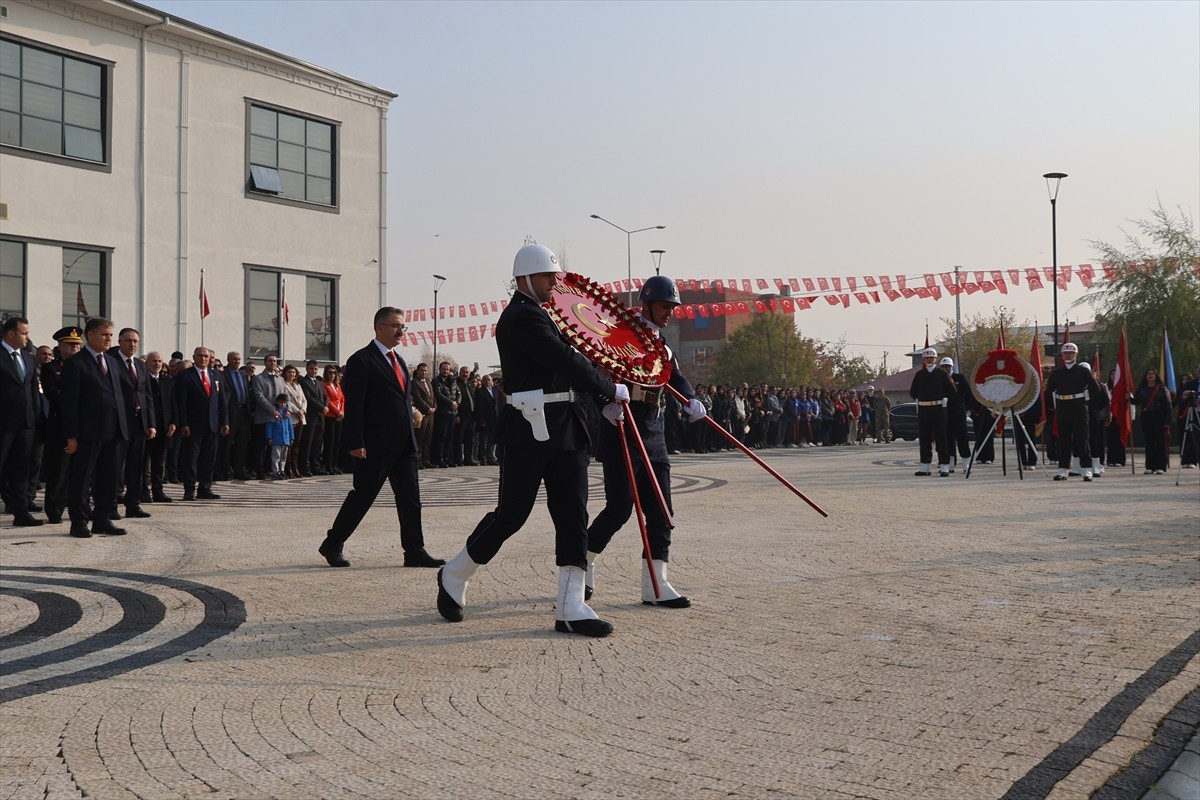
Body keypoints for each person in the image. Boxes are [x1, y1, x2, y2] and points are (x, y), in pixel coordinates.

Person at [436, 243, 628, 638]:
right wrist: (610, 388)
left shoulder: (547, 315)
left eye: (555, 276)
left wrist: (601, 397)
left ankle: (571, 605)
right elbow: (564, 360)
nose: (554, 283)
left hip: (566, 426)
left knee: (573, 513)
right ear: (524, 278)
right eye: (547, 277)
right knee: (512, 514)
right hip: (529, 427)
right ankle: (455, 573)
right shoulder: (521, 317)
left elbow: (577, 360)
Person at [585, 275, 704, 609]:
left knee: (661, 511)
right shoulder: (620, 335)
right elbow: (595, 373)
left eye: (672, 308)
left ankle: (656, 583)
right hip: (621, 427)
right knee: (619, 510)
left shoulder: (662, 344)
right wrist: (603, 403)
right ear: (647, 303)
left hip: (652, 431)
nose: (670, 313)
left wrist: (690, 399)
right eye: (665, 306)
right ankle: (584, 560)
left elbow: (674, 377)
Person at [318, 307, 444, 570]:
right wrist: (355, 442)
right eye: (396, 326)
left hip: (404, 443)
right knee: (363, 496)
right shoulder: (361, 360)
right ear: (379, 327)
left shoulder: (398, 360)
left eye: (403, 327)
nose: (401, 331)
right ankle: (333, 543)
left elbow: (399, 397)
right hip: (375, 444)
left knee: (410, 498)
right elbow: (355, 405)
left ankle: (414, 550)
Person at [60, 317, 128, 537]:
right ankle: (79, 522)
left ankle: (102, 518)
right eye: (104, 335)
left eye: (110, 335)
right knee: (82, 479)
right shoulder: (76, 363)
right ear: (90, 335)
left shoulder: (113, 362)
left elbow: (117, 396)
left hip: (113, 431)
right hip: (88, 432)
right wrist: (72, 435)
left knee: (109, 478)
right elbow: (69, 403)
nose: (109, 339)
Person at [109, 328, 157, 519]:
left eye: (135, 341)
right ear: (120, 342)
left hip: (139, 423)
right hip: (119, 422)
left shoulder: (140, 365)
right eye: (128, 341)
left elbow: (147, 396)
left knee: (136, 467)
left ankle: (133, 504)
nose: (132, 345)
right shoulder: (111, 362)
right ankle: (111, 505)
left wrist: (151, 423)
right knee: (115, 467)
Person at [1, 316, 43, 526]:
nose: (27, 337)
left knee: (21, 470)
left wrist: (35, 417)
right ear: (11, 334)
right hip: (3, 424)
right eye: (24, 333)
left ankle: (20, 512)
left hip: (25, 424)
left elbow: (33, 390)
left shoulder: (28, 358)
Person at [39, 327, 83, 524]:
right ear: (60, 346)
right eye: (70, 345)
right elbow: (52, 393)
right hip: (60, 426)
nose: (74, 348)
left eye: (77, 345)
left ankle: (79, 507)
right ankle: (54, 510)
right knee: (59, 470)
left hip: (83, 425)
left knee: (81, 472)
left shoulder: (85, 366)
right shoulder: (51, 368)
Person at [175, 346, 229, 500]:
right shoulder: (185, 375)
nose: (203, 359)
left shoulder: (216, 375)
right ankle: (189, 489)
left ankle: (205, 487)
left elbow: (222, 401)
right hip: (193, 425)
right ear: (194, 357)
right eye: (200, 356)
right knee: (191, 458)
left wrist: (225, 421)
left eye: (206, 356)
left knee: (209, 457)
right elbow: (182, 402)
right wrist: (183, 423)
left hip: (213, 424)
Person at [1045, 342, 1103, 481]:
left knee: (1082, 440)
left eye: (1071, 353)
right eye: (1065, 353)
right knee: (1063, 440)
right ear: (1062, 355)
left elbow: (1095, 389)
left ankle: (1086, 470)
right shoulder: (1057, 373)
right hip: (1063, 408)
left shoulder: (1083, 371)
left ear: (1076, 355)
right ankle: (1063, 470)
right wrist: (1052, 406)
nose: (1068, 355)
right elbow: (1048, 391)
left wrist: (1086, 402)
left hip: (1079, 408)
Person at [909, 347, 955, 476]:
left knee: (941, 439)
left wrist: (944, 399)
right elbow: (913, 392)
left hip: (938, 410)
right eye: (927, 358)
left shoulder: (942, 374)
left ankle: (944, 466)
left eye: (931, 358)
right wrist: (921, 398)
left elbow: (952, 391)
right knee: (924, 439)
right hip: (924, 411)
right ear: (923, 359)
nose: (929, 360)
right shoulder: (920, 374)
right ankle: (925, 466)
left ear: (935, 359)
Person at [142, 351, 176, 503]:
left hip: (164, 427)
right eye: (154, 361)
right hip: (146, 427)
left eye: (160, 361)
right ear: (147, 362)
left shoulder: (167, 380)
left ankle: (158, 490)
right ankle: (144, 491)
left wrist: (174, 422)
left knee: (159, 461)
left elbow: (174, 404)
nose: (157, 364)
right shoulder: (142, 379)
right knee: (144, 461)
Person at [250, 355, 285, 479]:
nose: (273, 363)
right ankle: (259, 470)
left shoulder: (280, 379)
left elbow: (286, 397)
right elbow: (259, 397)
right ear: (265, 362)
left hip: (277, 419)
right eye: (270, 361)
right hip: (263, 417)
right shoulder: (258, 379)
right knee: (260, 446)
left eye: (275, 361)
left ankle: (271, 469)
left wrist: (288, 410)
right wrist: (272, 410)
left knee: (274, 446)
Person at [218, 351, 252, 480]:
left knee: (242, 443)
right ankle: (225, 470)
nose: (237, 361)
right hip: (231, 412)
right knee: (226, 444)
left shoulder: (243, 374)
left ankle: (239, 469)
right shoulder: (223, 374)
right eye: (234, 359)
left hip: (244, 412)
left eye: (238, 359)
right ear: (228, 360)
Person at [1134, 367, 1173, 474]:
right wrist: (1128, 397)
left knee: (1160, 442)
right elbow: (1136, 401)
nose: (1150, 376)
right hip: (1146, 417)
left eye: (1152, 374)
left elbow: (1168, 406)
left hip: (1159, 418)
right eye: (1148, 374)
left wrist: (1167, 422)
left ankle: (1161, 466)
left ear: (1156, 376)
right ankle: (1150, 466)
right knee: (1149, 442)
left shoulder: (1162, 388)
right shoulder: (1142, 388)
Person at [939, 357, 972, 471]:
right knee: (948, 439)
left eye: (947, 366)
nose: (945, 369)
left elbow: (968, 394)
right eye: (943, 367)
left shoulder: (960, 378)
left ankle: (965, 463)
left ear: (952, 367)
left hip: (958, 413)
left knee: (962, 438)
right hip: (945, 413)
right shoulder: (939, 379)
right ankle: (950, 464)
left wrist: (964, 407)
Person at [299, 360, 328, 475]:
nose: (314, 371)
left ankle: (315, 466)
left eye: (315, 369)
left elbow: (326, 397)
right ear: (307, 369)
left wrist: (325, 406)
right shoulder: (304, 382)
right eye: (311, 368)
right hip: (311, 416)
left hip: (321, 417)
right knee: (308, 443)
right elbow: (309, 398)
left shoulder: (319, 383)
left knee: (318, 443)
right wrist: (321, 408)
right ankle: (305, 467)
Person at [431, 361, 460, 468]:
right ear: (440, 369)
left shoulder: (453, 381)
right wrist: (450, 403)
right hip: (443, 412)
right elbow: (438, 394)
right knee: (441, 436)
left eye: (447, 369)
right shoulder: (436, 381)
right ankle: (439, 458)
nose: (446, 371)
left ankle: (447, 458)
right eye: (444, 369)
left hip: (453, 412)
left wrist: (457, 402)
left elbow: (458, 393)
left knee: (450, 437)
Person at [281, 364, 307, 478]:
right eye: (289, 372)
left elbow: (304, 400)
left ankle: (295, 467)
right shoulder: (284, 385)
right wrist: (297, 410)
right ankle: (288, 469)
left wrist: (303, 410)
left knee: (297, 444)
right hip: (291, 416)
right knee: (290, 444)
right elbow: (287, 401)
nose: (292, 374)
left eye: (293, 372)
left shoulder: (298, 385)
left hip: (301, 417)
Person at [410, 363, 436, 468]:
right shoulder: (414, 383)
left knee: (428, 438)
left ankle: (426, 460)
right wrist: (427, 408)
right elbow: (418, 398)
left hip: (431, 414)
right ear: (418, 371)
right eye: (422, 370)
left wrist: (434, 407)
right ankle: (418, 461)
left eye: (425, 370)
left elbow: (433, 397)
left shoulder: (429, 382)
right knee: (420, 438)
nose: (424, 372)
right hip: (422, 414)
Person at [321, 365, 345, 474]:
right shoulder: (324, 385)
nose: (332, 375)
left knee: (337, 442)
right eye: (330, 372)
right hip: (331, 416)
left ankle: (335, 464)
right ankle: (328, 465)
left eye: (334, 373)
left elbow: (342, 399)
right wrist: (337, 412)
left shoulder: (337, 385)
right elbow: (328, 401)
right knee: (329, 442)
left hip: (339, 416)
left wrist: (342, 412)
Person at [265, 393, 295, 479]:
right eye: (281, 402)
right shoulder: (274, 412)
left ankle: (282, 470)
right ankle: (275, 471)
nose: (283, 404)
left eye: (284, 402)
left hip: (285, 438)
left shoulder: (287, 413)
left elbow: (290, 426)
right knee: (276, 456)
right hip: (276, 438)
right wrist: (269, 437)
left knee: (283, 456)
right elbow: (269, 426)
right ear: (277, 401)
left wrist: (291, 438)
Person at [474, 373, 500, 465]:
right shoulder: (479, 391)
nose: (487, 381)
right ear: (482, 381)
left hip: (494, 419)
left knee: (492, 440)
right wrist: (481, 420)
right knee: (483, 440)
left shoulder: (495, 391)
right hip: (485, 419)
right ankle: (483, 458)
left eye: (489, 380)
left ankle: (491, 457)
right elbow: (479, 407)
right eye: (485, 380)